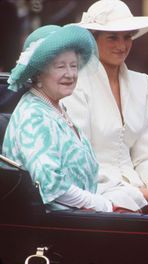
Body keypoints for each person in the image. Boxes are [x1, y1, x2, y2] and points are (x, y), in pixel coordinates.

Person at [62, 0, 148, 215]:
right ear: (92, 40)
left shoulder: (142, 83)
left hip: (139, 190)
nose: (122, 45)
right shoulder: (76, 85)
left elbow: (145, 154)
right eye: (112, 37)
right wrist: (140, 192)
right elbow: (81, 161)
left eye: (128, 37)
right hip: (98, 193)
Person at [2, 24, 115, 212]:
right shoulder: (34, 116)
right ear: (39, 72)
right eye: (60, 66)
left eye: (74, 66)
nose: (70, 74)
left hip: (84, 215)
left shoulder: (56, 107)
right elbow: (53, 187)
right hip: (56, 224)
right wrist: (103, 206)